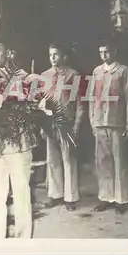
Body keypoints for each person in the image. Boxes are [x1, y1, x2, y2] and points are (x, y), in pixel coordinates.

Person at [0, 37, 37, 238]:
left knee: (21, 193)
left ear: (8, 52)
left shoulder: (22, 77)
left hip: (19, 143)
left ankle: (23, 242)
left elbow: (27, 106)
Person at [89, 40, 128, 214]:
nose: (104, 55)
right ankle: (106, 197)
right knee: (103, 161)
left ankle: (121, 199)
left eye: (107, 51)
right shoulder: (97, 71)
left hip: (117, 121)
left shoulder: (123, 71)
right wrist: (93, 120)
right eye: (101, 52)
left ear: (114, 51)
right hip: (100, 122)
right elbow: (92, 98)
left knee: (119, 160)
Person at [41, 43, 84, 211]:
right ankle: (55, 194)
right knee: (52, 160)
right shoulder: (45, 75)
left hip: (67, 123)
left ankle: (71, 197)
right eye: (50, 54)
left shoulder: (73, 75)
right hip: (50, 123)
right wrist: (42, 124)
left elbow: (79, 102)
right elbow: (43, 101)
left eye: (56, 54)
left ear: (64, 57)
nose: (52, 58)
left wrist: (77, 124)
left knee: (69, 160)